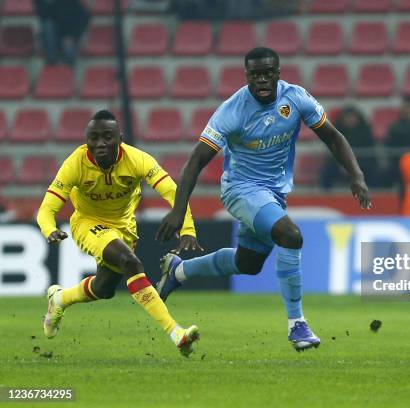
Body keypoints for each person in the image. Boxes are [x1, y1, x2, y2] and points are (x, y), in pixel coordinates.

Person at [155, 47, 371, 351]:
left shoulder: (295, 98)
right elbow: (196, 161)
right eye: (255, 74)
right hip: (240, 189)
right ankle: (297, 325)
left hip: (273, 194)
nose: (262, 80)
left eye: (267, 73)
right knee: (291, 236)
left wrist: (356, 175)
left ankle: (178, 271)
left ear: (277, 73)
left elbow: (333, 137)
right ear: (247, 76)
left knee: (249, 263)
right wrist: (178, 211)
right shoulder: (233, 110)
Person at [36, 110, 202, 357]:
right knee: (130, 263)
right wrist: (50, 229)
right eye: (93, 138)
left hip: (124, 226)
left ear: (120, 138)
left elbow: (172, 192)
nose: (100, 143)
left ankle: (59, 299)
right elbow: (46, 209)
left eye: (107, 137)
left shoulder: (137, 160)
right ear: (86, 140)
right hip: (88, 222)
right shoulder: (76, 163)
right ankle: (176, 333)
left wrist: (187, 228)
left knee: (104, 289)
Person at [320, 106, 378, 189]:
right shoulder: (335, 131)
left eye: (352, 117)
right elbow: (331, 152)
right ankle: (326, 195)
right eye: (347, 117)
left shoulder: (365, 131)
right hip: (340, 165)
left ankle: (374, 193)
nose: (349, 120)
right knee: (326, 171)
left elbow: (370, 152)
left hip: (361, 163)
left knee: (373, 171)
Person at [34, 0, 90, 65]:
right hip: (52, 40)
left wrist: (73, 37)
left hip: (69, 38)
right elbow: (43, 17)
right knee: (47, 25)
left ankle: (69, 71)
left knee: (69, 50)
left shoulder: (70, 2)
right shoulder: (42, 2)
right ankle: (52, 63)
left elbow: (85, 17)